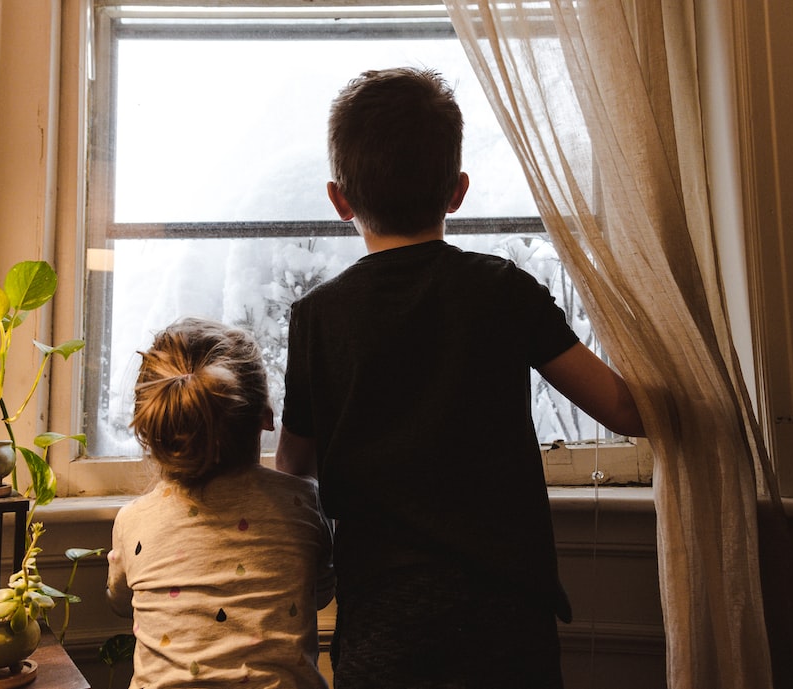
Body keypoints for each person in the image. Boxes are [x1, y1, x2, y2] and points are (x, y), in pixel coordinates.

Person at [275, 67, 644, 689]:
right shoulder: (501, 288)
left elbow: (293, 468)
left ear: (339, 200)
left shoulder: (318, 317)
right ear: (458, 190)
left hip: (381, 620)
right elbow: (626, 411)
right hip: (505, 616)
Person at [106, 317, 335, 689]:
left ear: (152, 432)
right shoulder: (304, 505)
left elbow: (119, 602)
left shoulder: (133, 522)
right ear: (266, 416)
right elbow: (321, 593)